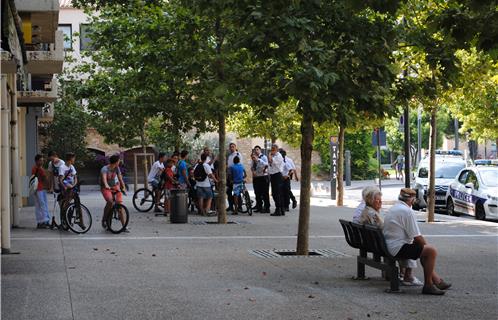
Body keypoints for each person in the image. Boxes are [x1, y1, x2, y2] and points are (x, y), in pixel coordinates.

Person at [383, 188, 452, 295]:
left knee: (424, 251)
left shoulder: (395, 208)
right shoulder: (407, 211)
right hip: (397, 248)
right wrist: (427, 248)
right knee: (430, 251)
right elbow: (417, 236)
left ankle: (436, 280)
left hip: (388, 246)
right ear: (411, 200)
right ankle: (429, 285)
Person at [100, 154, 127, 231]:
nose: (119, 162)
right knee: (110, 201)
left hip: (115, 186)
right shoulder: (104, 169)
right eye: (119, 161)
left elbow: (120, 179)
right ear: (116, 162)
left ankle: (124, 226)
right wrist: (106, 185)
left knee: (120, 206)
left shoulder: (117, 168)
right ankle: (104, 219)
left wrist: (123, 187)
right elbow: (104, 179)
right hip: (106, 188)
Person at [32, 154, 51, 229]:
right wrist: (49, 186)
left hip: (39, 189)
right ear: (36, 161)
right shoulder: (38, 168)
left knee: (40, 205)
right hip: (39, 189)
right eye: (40, 160)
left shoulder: (35, 168)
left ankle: (41, 221)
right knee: (42, 205)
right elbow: (45, 178)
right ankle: (44, 221)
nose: (42, 162)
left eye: (42, 160)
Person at [252, 146, 270, 213]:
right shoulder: (253, 157)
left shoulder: (263, 157)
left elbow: (266, 165)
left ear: (260, 150)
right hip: (256, 177)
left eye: (257, 149)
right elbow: (252, 166)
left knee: (265, 193)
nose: (256, 151)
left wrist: (258, 160)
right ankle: (259, 206)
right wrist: (253, 171)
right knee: (257, 193)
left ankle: (267, 207)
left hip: (263, 177)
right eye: (255, 150)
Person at [268, 144, 285, 216]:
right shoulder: (274, 156)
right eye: (271, 149)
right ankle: (281, 209)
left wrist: (269, 154)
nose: (272, 151)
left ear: (277, 150)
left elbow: (271, 160)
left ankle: (279, 209)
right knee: (277, 193)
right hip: (273, 175)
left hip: (277, 175)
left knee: (276, 194)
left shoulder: (278, 156)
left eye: (273, 149)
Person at [226, 143, 242, 212]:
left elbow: (240, 164)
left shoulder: (238, 154)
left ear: (235, 147)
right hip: (230, 175)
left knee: (237, 193)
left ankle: (239, 206)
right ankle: (231, 206)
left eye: (233, 147)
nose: (232, 148)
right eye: (231, 147)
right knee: (229, 191)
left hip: (236, 175)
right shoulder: (229, 156)